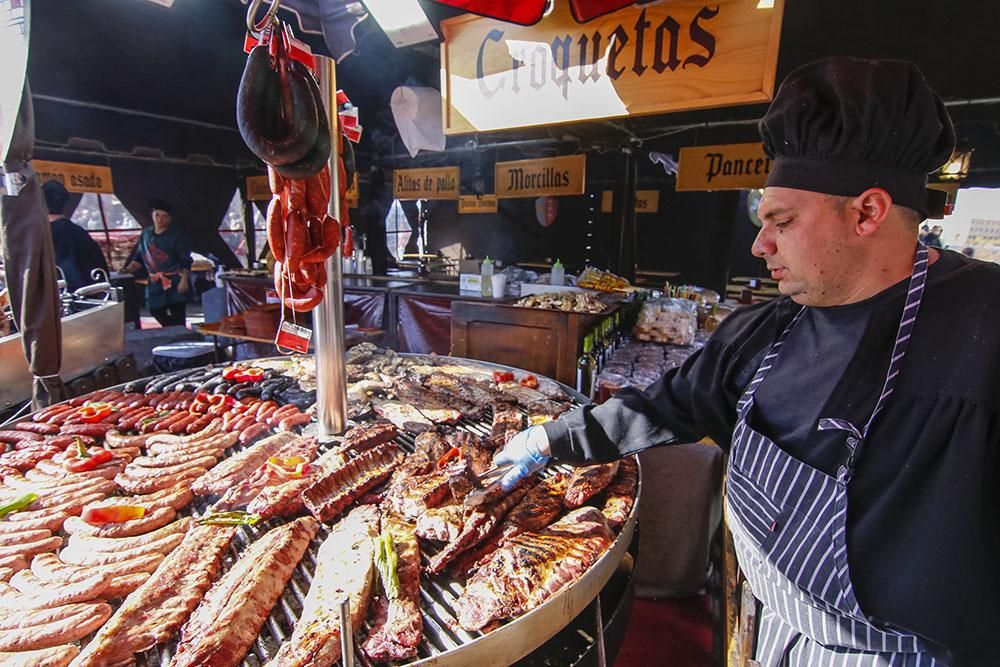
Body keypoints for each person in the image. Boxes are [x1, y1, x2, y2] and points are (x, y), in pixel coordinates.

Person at [496, 57, 999, 666]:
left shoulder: (984, 333)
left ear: (868, 212)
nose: (760, 245)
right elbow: (670, 404)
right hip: (775, 633)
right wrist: (552, 439)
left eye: (781, 222)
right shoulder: (768, 330)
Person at [123, 199, 193, 327]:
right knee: (155, 310)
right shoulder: (146, 234)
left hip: (174, 280)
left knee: (177, 313)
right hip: (155, 282)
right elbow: (140, 257)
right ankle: (174, 330)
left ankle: (179, 335)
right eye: (157, 215)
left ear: (170, 218)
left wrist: (184, 281)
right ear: (152, 216)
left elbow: (185, 260)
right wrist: (127, 270)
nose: (160, 219)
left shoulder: (177, 236)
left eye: (164, 216)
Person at [41, 180, 108, 292]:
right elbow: (101, 269)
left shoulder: (40, 236)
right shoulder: (80, 233)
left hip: (57, 299)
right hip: (88, 297)